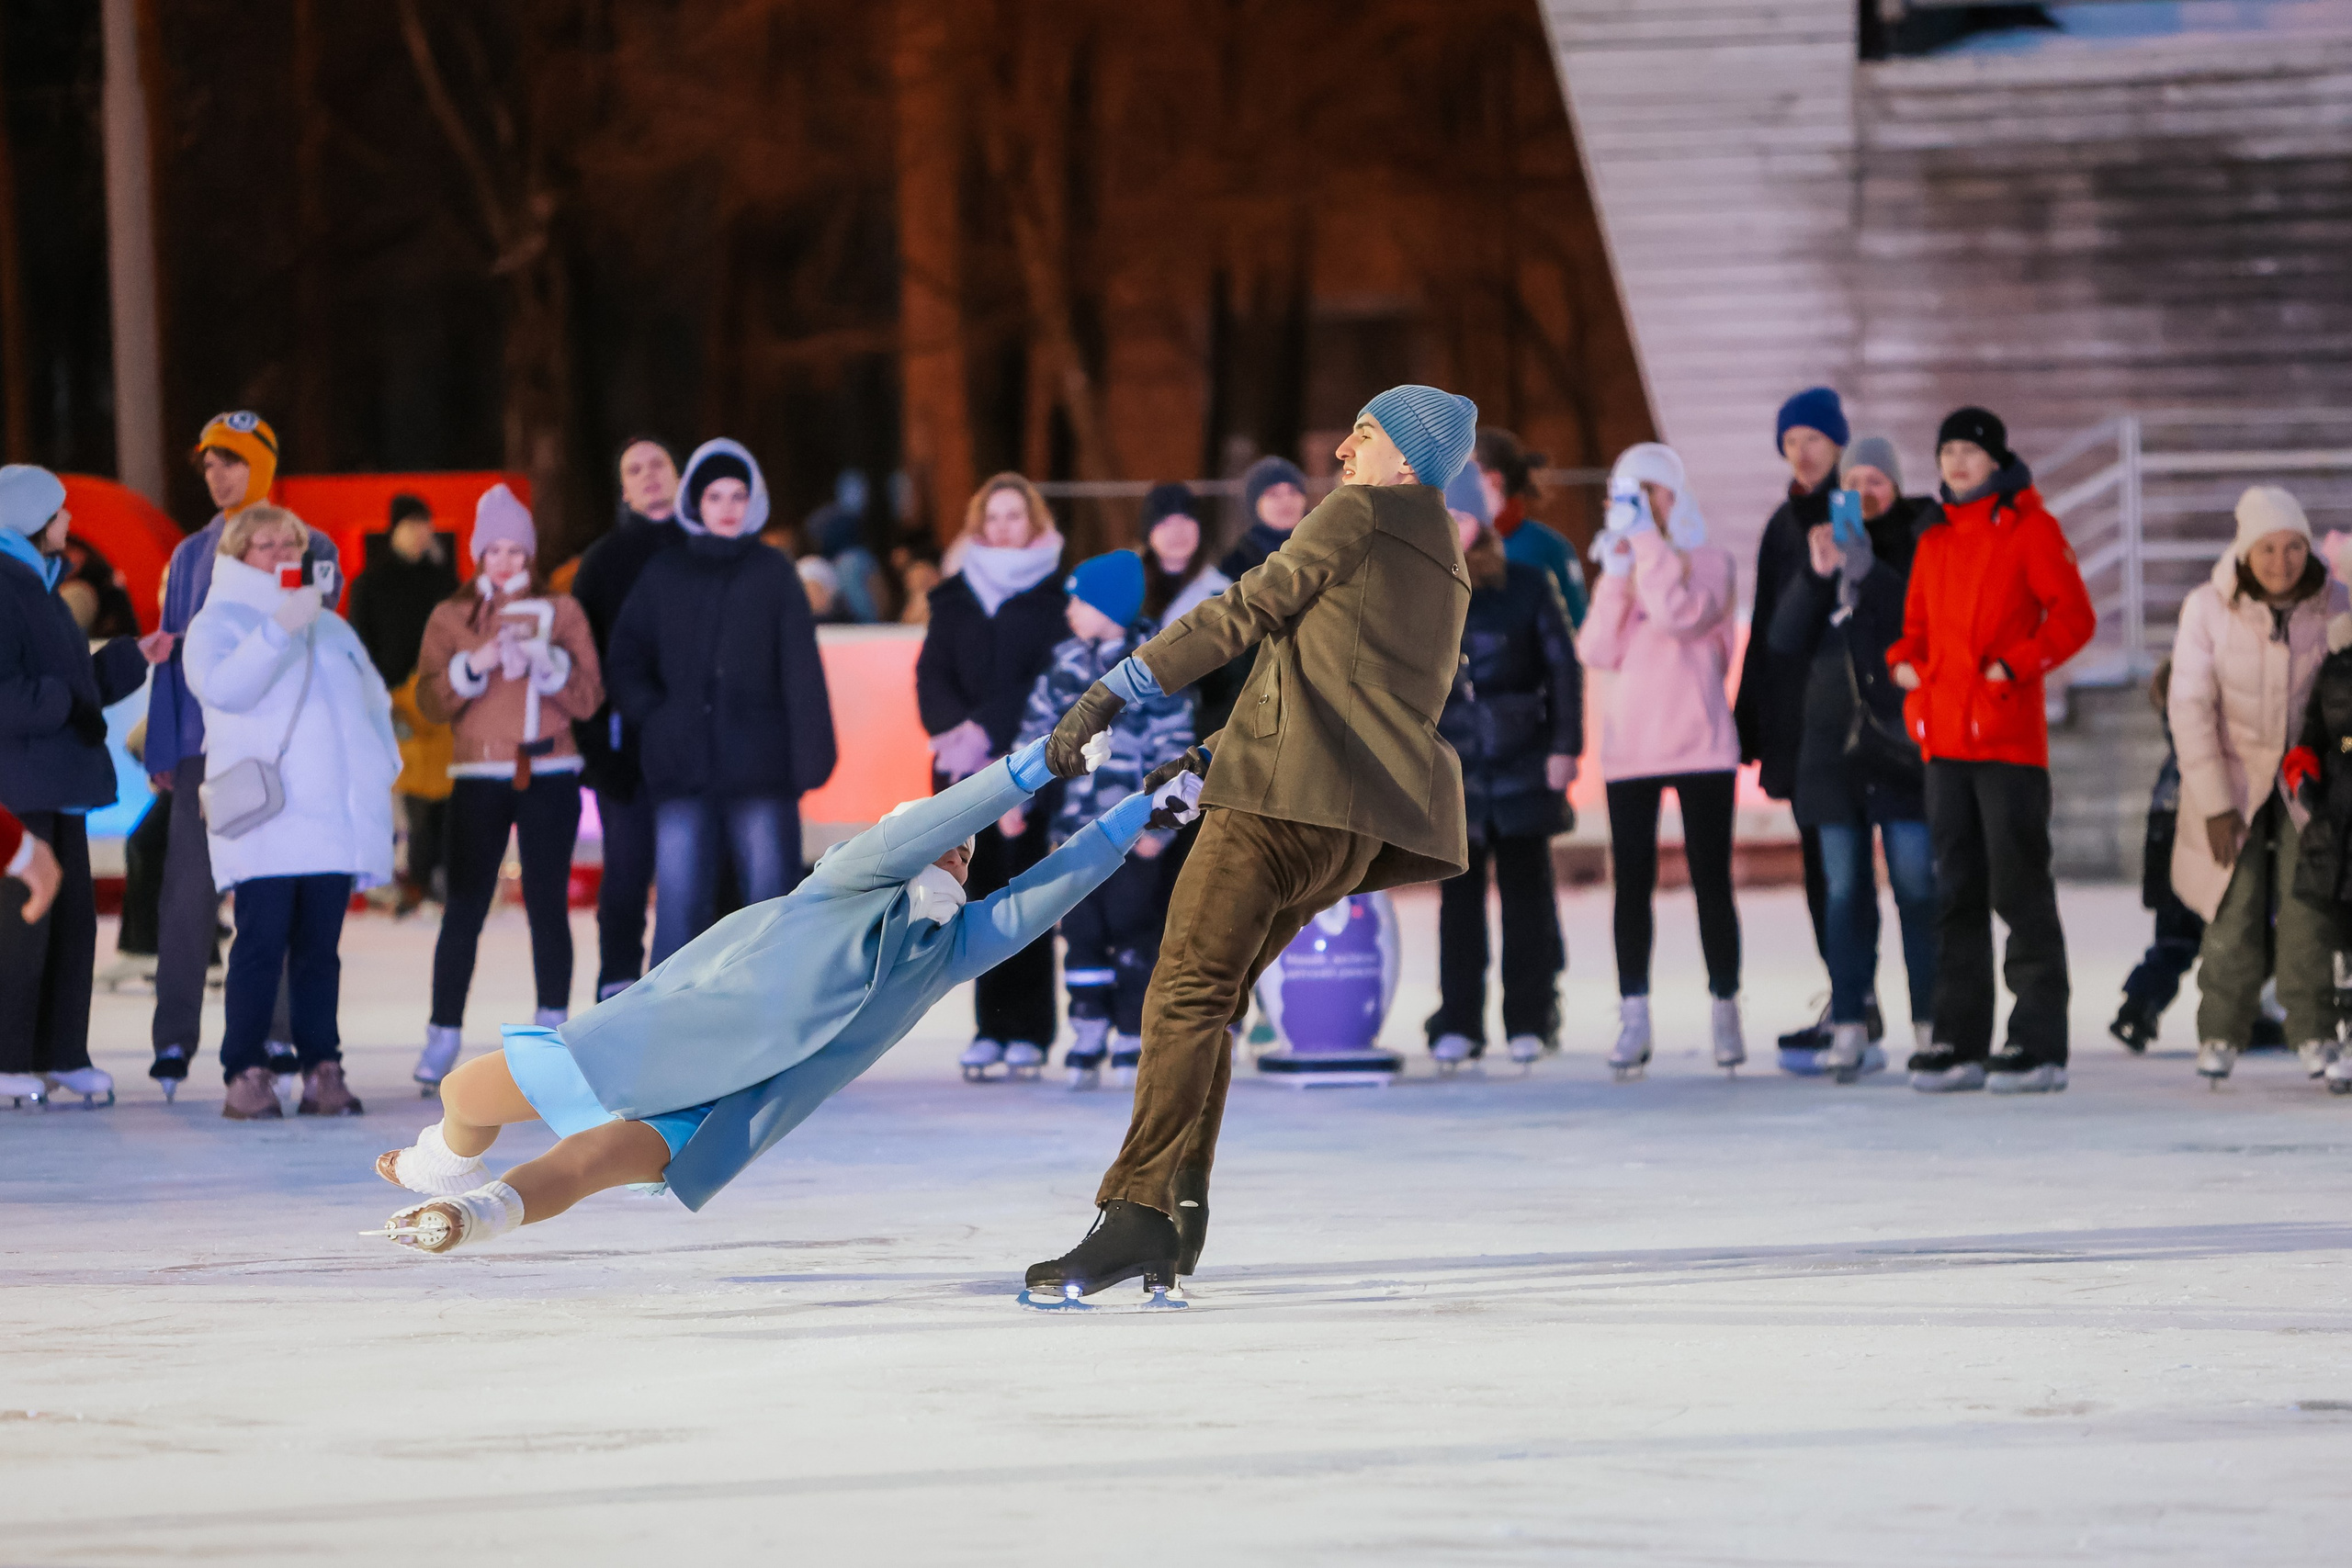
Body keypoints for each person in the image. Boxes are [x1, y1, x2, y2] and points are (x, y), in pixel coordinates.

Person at [368, 735, 1197, 1253]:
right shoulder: (846, 878)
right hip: (661, 1044)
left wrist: (1136, 816)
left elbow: (1044, 892)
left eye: (969, 854)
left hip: (726, 1102)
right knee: (464, 1093)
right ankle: (447, 1159)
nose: (960, 856)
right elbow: (937, 819)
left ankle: (471, 1217)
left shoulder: (943, 950)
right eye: (949, 843)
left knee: (583, 1164)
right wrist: (1035, 762)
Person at [1024, 384, 1477, 1301]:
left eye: (1362, 432)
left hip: (1275, 813)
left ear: (1404, 458)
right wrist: (1204, 759)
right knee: (1214, 997)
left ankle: (1137, 1214)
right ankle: (1177, 1210)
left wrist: (1112, 689)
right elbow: (1330, 692)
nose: (1342, 453)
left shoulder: (1359, 513)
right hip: (1346, 833)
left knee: (1183, 989)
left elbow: (1245, 610)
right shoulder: (1446, 564)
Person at [1886, 406, 2096, 1094]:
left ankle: (2038, 1042)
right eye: (1945, 450)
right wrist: (1905, 671)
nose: (1955, 462)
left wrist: (2013, 665)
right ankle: (1958, 1038)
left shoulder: (2033, 529)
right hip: (1943, 743)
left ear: (1996, 461)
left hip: (2007, 743)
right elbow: (1913, 629)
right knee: (1956, 893)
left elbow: (2073, 617)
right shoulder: (1935, 539)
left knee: (2019, 889)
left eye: (1968, 450)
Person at [144, 412, 341, 1100]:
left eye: (230, 459)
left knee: (276, 892)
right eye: (207, 463)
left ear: (261, 462)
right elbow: (171, 651)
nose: (216, 473)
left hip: (282, 749)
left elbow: (324, 627)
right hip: (206, 751)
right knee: (188, 893)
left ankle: (282, 1030)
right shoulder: (189, 553)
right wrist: (166, 743)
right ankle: (174, 1037)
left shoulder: (307, 543)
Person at [183, 504, 400, 1120]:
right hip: (266, 821)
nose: (280, 553)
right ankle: (245, 1069)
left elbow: (372, 705)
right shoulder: (218, 622)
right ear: (237, 554)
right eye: (265, 544)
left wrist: (384, 768)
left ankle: (321, 1066)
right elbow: (222, 688)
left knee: (319, 952)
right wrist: (278, 627)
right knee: (258, 945)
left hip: (330, 821)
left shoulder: (332, 627)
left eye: (290, 543)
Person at [608, 438, 835, 966]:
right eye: (715, 497)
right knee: (679, 908)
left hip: (762, 771)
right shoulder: (666, 572)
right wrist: (655, 715)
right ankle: (668, 1028)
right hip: (682, 769)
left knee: (771, 906)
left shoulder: (774, 572)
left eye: (738, 496)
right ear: (695, 504)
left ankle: (773, 1022)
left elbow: (801, 671)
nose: (728, 508)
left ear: (754, 502)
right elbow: (625, 656)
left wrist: (811, 756)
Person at [411, 484, 605, 1092]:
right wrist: (475, 665)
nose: (504, 561)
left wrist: (548, 664)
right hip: (478, 777)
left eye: (515, 551)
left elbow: (590, 697)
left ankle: (553, 1027)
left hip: (550, 773)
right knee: (464, 904)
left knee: (548, 903)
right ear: (476, 552)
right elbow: (428, 700)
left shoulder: (564, 612)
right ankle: (442, 1030)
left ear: (529, 554)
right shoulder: (451, 616)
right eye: (492, 549)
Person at [1764, 434, 1939, 1081]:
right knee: (1843, 891)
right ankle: (1849, 1022)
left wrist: (1872, 573)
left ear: (1895, 488)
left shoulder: (1921, 545)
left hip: (1897, 747)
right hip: (1829, 751)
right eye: (1856, 481)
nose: (1866, 493)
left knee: (1918, 886)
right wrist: (1818, 576)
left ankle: (1931, 1022)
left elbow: (1918, 632)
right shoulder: (1820, 549)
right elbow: (1782, 639)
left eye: (1878, 481)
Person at [1577, 443, 1746, 1080]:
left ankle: (1726, 1006)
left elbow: (1681, 615)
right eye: (1634, 498)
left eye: (1654, 495)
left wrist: (1647, 548)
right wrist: (1618, 572)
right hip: (1633, 751)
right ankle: (1634, 1012)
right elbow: (1596, 647)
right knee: (1633, 886)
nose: (1646, 509)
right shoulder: (1626, 565)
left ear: (1675, 496)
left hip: (1702, 744)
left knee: (1710, 881)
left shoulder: (1710, 561)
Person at [2166, 485, 2342, 1086]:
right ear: (2245, 552)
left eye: (2294, 546)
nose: (2282, 562)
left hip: (2306, 782)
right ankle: (2221, 1029)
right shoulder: (2207, 608)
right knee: (2232, 904)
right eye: (2268, 548)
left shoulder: (2335, 604)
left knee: (2309, 907)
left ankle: (2316, 1030)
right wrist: (2215, 803)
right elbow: (2188, 704)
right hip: (2231, 777)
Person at [0, 466, 163, 1109]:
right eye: (61, 513)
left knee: (71, 929)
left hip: (59, 781)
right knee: (21, 928)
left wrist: (135, 655)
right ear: (32, 518)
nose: (69, 525)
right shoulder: (5, 586)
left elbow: (74, 688)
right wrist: (66, 697)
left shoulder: (39, 585)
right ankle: (9, 1056)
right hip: (21, 788)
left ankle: (62, 1052)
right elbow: (11, 697)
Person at [1008, 549, 1193, 1087]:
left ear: (1108, 606)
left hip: (1133, 828)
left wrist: (1162, 822)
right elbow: (1033, 736)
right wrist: (1017, 805)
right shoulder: (1064, 663)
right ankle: (1088, 1023)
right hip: (1075, 831)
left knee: (1135, 924)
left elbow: (1176, 749)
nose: (1070, 610)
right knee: (1082, 927)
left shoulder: (1156, 665)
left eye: (1079, 601)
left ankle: (1134, 1027)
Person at [1734, 388, 1873, 1058]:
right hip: (1798, 720)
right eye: (1791, 441)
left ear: (1839, 442)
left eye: (1813, 437)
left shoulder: (1859, 512)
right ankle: (1849, 994)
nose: (1802, 451)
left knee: (1857, 869)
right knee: (1823, 868)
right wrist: (1750, 720)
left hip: (1862, 717)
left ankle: (1860, 998)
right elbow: (1765, 628)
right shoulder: (1781, 525)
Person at [915, 473, 1069, 1078]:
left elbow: (1047, 683)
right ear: (980, 525)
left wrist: (990, 732)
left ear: (1034, 523)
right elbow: (931, 673)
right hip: (961, 771)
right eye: (995, 517)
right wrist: (956, 732)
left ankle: (1029, 1028)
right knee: (977, 900)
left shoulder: (1056, 597)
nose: (1005, 527)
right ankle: (991, 1024)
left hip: (1028, 766)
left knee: (1024, 898)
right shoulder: (952, 595)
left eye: (1016, 516)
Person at [1428, 461, 1581, 1068]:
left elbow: (1563, 668)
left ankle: (1530, 1016)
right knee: (1458, 904)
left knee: (1528, 898)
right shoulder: (1414, 590)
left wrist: (1565, 747)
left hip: (1522, 762)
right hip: (1453, 769)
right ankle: (1459, 1019)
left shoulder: (1526, 583)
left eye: (1462, 516)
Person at [569, 436, 684, 1001]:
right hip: (626, 754)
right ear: (624, 488)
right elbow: (581, 663)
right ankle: (617, 988)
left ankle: (696, 995)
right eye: (635, 469)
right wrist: (598, 752)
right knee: (627, 874)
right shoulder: (602, 562)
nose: (649, 476)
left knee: (698, 880)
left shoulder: (709, 547)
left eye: (658, 464)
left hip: (702, 752)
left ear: (679, 475)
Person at [348, 493, 460, 915]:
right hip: (396, 702)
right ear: (394, 529)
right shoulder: (371, 584)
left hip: (443, 701)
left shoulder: (444, 583)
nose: (420, 533)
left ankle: (439, 880)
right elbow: (362, 649)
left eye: (425, 524)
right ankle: (414, 879)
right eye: (411, 524)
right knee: (412, 797)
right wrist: (380, 706)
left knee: (446, 797)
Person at [2111, 660, 2204, 1052]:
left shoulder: (2175, 749)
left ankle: (2139, 1005)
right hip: (2191, 832)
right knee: (2218, 936)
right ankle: (2140, 1007)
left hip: (2168, 830)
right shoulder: (2198, 733)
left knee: (2175, 941)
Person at [1473, 427, 1589, 627]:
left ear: (1492, 480)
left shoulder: (1548, 547)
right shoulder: (1449, 546)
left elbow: (1576, 627)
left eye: (1461, 474)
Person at [1140, 483, 1231, 626]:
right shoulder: (1125, 586)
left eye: (1185, 519)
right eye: (1165, 522)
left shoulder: (1220, 592)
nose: (1177, 531)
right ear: (1149, 533)